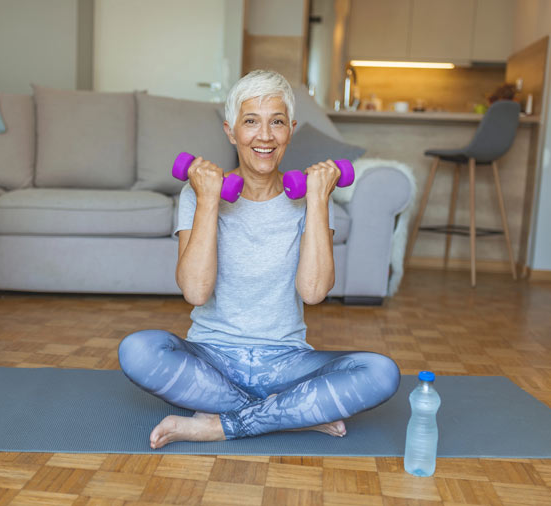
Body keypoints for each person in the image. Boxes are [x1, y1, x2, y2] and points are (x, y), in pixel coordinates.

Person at [118, 70, 400, 449]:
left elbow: (314, 292)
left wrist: (317, 199)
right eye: (251, 122)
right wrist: (208, 200)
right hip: (212, 359)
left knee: (381, 373)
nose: (264, 136)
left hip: (287, 362)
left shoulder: (312, 198)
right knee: (137, 350)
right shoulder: (198, 193)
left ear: (291, 130)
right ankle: (293, 415)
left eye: (277, 122)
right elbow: (196, 291)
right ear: (231, 131)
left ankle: (223, 424)